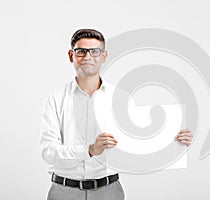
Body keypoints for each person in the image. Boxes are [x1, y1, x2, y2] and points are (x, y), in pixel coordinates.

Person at [40, 28, 193, 200]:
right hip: (64, 191)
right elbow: (48, 152)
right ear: (71, 55)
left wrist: (174, 140)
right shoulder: (55, 100)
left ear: (104, 56)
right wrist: (90, 150)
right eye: (81, 51)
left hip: (108, 191)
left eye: (95, 51)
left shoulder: (120, 98)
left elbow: (139, 140)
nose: (88, 57)